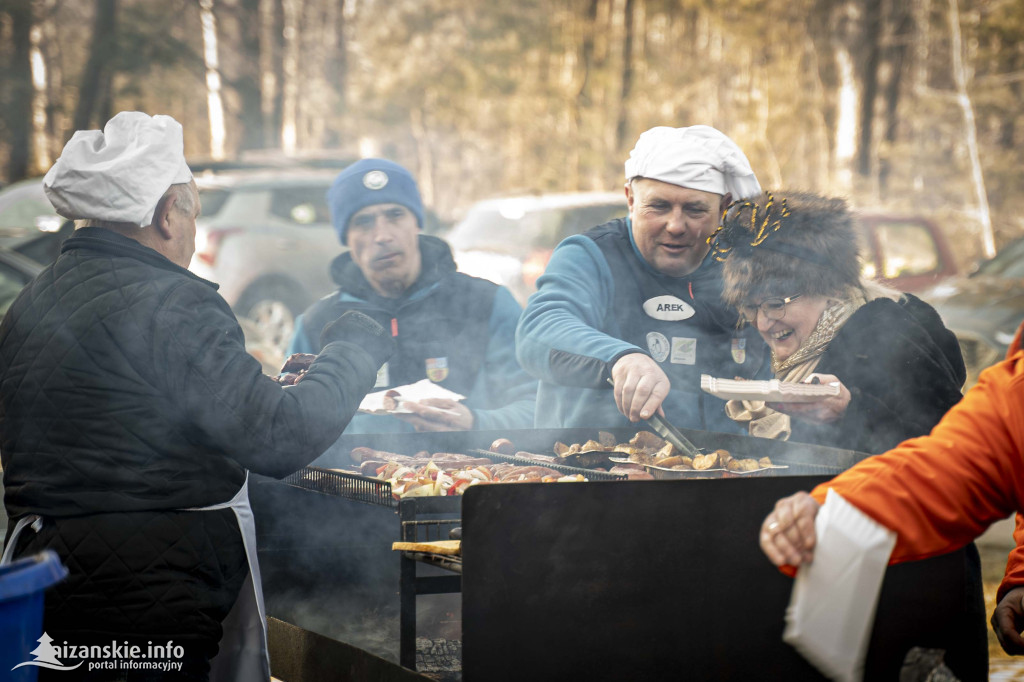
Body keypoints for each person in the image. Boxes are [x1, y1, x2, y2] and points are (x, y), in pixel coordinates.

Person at [0, 112, 394, 681]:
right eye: (192, 214)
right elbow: (281, 438)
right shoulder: (171, 302)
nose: (192, 234)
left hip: (49, 577)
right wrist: (353, 349)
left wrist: (263, 390)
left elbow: (119, 414)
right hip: (144, 599)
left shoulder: (35, 297)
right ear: (165, 214)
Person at [515, 125, 765, 431]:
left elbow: (789, 350)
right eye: (658, 206)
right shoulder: (591, 255)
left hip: (720, 471)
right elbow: (538, 332)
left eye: (694, 210)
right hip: (586, 466)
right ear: (631, 199)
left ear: (723, 207)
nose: (675, 225)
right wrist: (621, 359)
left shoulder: (742, 267)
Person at [286, 158, 537, 434]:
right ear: (346, 238)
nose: (382, 235)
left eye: (395, 215)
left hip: (476, 473)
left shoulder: (486, 303)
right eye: (364, 222)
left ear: (417, 222)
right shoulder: (317, 324)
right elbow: (292, 427)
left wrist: (476, 423)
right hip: (356, 476)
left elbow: (539, 407)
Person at [712, 190, 966, 454]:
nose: (763, 323)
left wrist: (849, 412)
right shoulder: (783, 345)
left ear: (831, 290)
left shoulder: (885, 333)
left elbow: (952, 447)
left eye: (776, 304)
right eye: (751, 307)